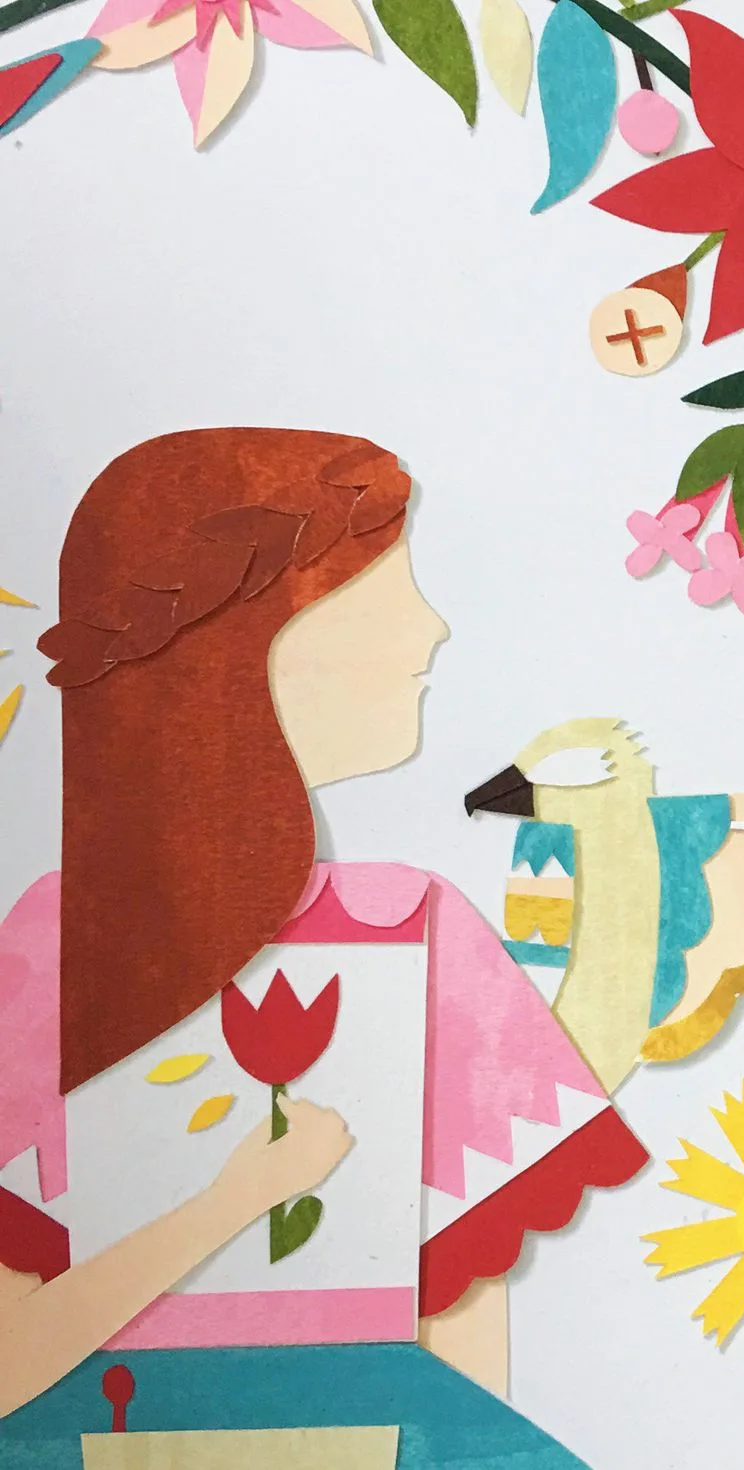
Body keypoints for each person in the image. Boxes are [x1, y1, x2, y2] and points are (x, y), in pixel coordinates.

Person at [0, 429, 645, 1464]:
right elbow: (11, 1362)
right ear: (241, 644)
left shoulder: (416, 924)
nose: (432, 631)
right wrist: (233, 1201)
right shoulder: (51, 951)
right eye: (388, 585)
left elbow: (460, 1326)